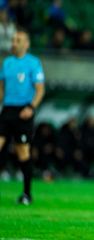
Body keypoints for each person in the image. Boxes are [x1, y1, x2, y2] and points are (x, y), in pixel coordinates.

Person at [0, 29, 45, 204]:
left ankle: (27, 194)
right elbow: (2, 87)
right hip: (7, 110)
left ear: (27, 44)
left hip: (24, 111)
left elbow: (40, 89)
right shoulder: (7, 63)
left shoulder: (33, 63)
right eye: (13, 40)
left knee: (23, 153)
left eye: (18, 40)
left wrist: (32, 107)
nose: (14, 43)